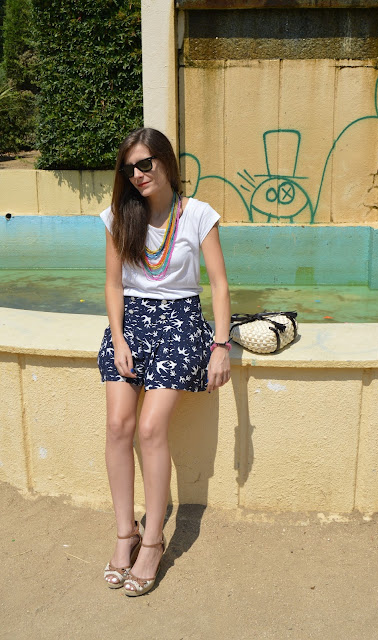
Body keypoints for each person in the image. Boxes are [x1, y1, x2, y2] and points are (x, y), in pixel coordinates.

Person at [97, 127, 231, 596]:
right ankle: (125, 534)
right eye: (129, 168)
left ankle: (152, 541)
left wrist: (220, 346)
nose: (137, 174)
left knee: (151, 428)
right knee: (118, 424)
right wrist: (118, 338)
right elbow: (114, 284)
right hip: (131, 323)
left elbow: (218, 284)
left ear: (166, 162)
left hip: (180, 322)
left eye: (145, 164)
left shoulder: (198, 215)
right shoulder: (119, 217)